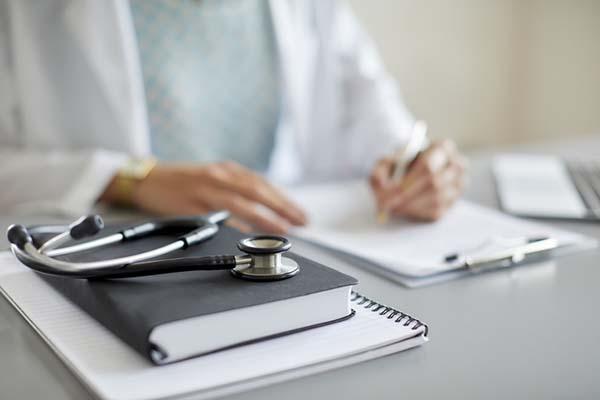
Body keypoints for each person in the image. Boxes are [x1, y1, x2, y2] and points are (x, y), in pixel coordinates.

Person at [0, 0, 466, 233]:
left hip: (290, 254)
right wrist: (130, 180)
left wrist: (418, 168)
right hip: (113, 252)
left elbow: (373, 112)